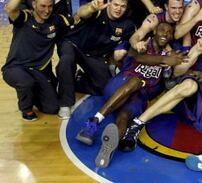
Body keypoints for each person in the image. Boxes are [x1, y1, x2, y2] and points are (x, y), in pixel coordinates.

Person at [118, 28, 202, 179]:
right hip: (190, 92)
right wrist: (197, 50)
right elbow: (178, 71)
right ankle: (137, 123)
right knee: (190, 85)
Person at [75, 23, 186, 167]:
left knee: (124, 117)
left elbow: (179, 67)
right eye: (162, 30)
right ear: (154, 31)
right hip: (121, 84)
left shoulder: (169, 55)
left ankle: (107, 150)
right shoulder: (142, 45)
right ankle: (94, 122)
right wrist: (164, 60)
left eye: (170, 32)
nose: (166, 34)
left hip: (138, 95)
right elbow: (138, 58)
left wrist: (192, 73)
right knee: (136, 81)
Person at [1, 0, 91, 121]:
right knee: (26, 82)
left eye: (50, 6)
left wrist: (91, 7)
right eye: (43, 6)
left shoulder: (56, 21)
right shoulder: (25, 18)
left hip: (40, 71)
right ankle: (26, 108)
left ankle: (37, 91)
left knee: (52, 108)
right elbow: (9, 8)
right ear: (34, 5)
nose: (47, 10)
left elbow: (77, 17)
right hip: (16, 68)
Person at [55, 0, 135, 119]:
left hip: (94, 56)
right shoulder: (97, 11)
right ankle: (65, 104)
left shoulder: (128, 25)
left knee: (106, 88)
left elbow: (127, 43)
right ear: (108, 3)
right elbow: (82, 13)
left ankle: (75, 80)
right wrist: (91, 7)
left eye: (123, 6)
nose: (118, 9)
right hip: (73, 44)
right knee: (66, 60)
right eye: (115, 5)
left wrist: (122, 50)